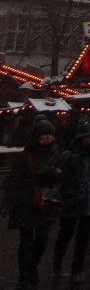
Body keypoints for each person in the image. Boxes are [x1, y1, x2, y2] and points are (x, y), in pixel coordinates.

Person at [2, 115, 65, 290]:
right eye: (44, 134)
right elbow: (14, 178)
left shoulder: (56, 155)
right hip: (25, 202)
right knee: (26, 241)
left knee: (42, 239)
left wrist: (50, 174)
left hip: (46, 202)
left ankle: (32, 267)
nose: (48, 137)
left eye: (50, 134)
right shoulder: (26, 156)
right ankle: (24, 275)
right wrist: (9, 200)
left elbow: (61, 176)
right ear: (37, 135)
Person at [53, 120, 90, 284]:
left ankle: (77, 269)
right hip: (71, 201)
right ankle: (57, 264)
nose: (89, 140)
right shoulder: (68, 155)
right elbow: (59, 177)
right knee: (65, 235)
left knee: (83, 239)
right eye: (86, 137)